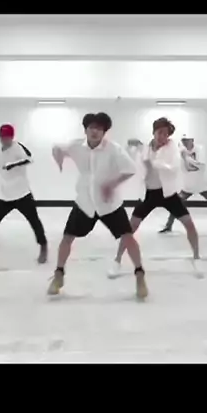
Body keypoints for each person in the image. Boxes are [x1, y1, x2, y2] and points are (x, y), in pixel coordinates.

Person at [47, 112, 148, 299]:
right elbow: (57, 148)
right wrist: (59, 159)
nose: (95, 132)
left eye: (99, 129)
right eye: (91, 128)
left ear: (104, 132)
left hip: (109, 204)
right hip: (85, 202)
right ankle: (58, 275)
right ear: (85, 130)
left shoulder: (114, 149)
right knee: (67, 238)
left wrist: (111, 184)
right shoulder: (76, 146)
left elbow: (130, 169)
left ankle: (140, 275)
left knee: (127, 238)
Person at [109, 118, 203, 278]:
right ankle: (117, 261)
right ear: (154, 132)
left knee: (189, 224)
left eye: (166, 134)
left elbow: (172, 167)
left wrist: (153, 162)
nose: (163, 137)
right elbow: (135, 166)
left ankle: (196, 258)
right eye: (160, 133)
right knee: (130, 228)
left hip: (168, 194)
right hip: (149, 194)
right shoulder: (145, 149)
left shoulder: (172, 148)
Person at [0, 124, 48, 264]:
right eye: (2, 137)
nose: (4, 139)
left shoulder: (18, 147)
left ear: (12, 137)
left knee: (34, 221)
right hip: (4, 195)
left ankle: (43, 247)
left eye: (7, 137)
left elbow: (29, 159)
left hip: (22, 193)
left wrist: (12, 164)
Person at [159, 134, 207, 236]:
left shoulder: (199, 149)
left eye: (187, 140)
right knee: (175, 204)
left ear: (192, 140)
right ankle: (168, 226)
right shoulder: (180, 152)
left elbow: (201, 165)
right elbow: (184, 168)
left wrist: (186, 158)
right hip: (188, 186)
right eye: (183, 141)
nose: (185, 143)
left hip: (203, 185)